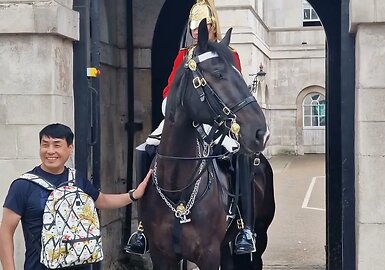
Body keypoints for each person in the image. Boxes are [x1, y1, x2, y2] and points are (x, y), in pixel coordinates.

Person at [124, 0, 257, 256]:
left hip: (216, 120)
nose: (197, 31)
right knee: (145, 150)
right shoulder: (184, 56)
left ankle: (244, 226)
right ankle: (142, 227)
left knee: (241, 154)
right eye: (194, 27)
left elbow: (233, 90)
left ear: (213, 26)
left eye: (202, 26)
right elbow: (169, 88)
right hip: (182, 119)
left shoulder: (228, 54)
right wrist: (171, 105)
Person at [0, 123, 152, 270]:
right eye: (45, 144)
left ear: (70, 148)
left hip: (80, 264)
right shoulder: (23, 185)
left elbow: (102, 200)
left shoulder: (76, 178)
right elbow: (6, 231)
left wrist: (133, 195)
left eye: (57, 145)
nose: (50, 151)